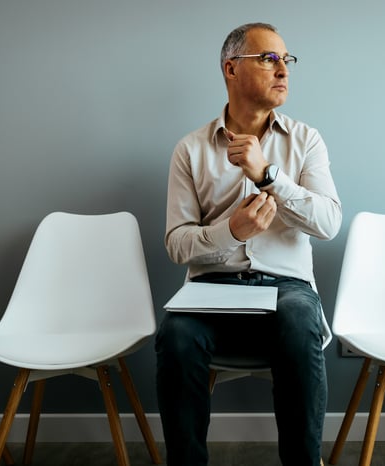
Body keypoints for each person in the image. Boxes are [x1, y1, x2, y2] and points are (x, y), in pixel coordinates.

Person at [155, 22, 342, 466]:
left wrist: (268, 176)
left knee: (300, 319)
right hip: (211, 288)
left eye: (286, 60)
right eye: (268, 58)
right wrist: (231, 233)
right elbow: (177, 245)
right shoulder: (190, 150)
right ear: (231, 68)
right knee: (175, 334)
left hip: (287, 287)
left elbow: (329, 222)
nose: (283, 70)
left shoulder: (305, 141)